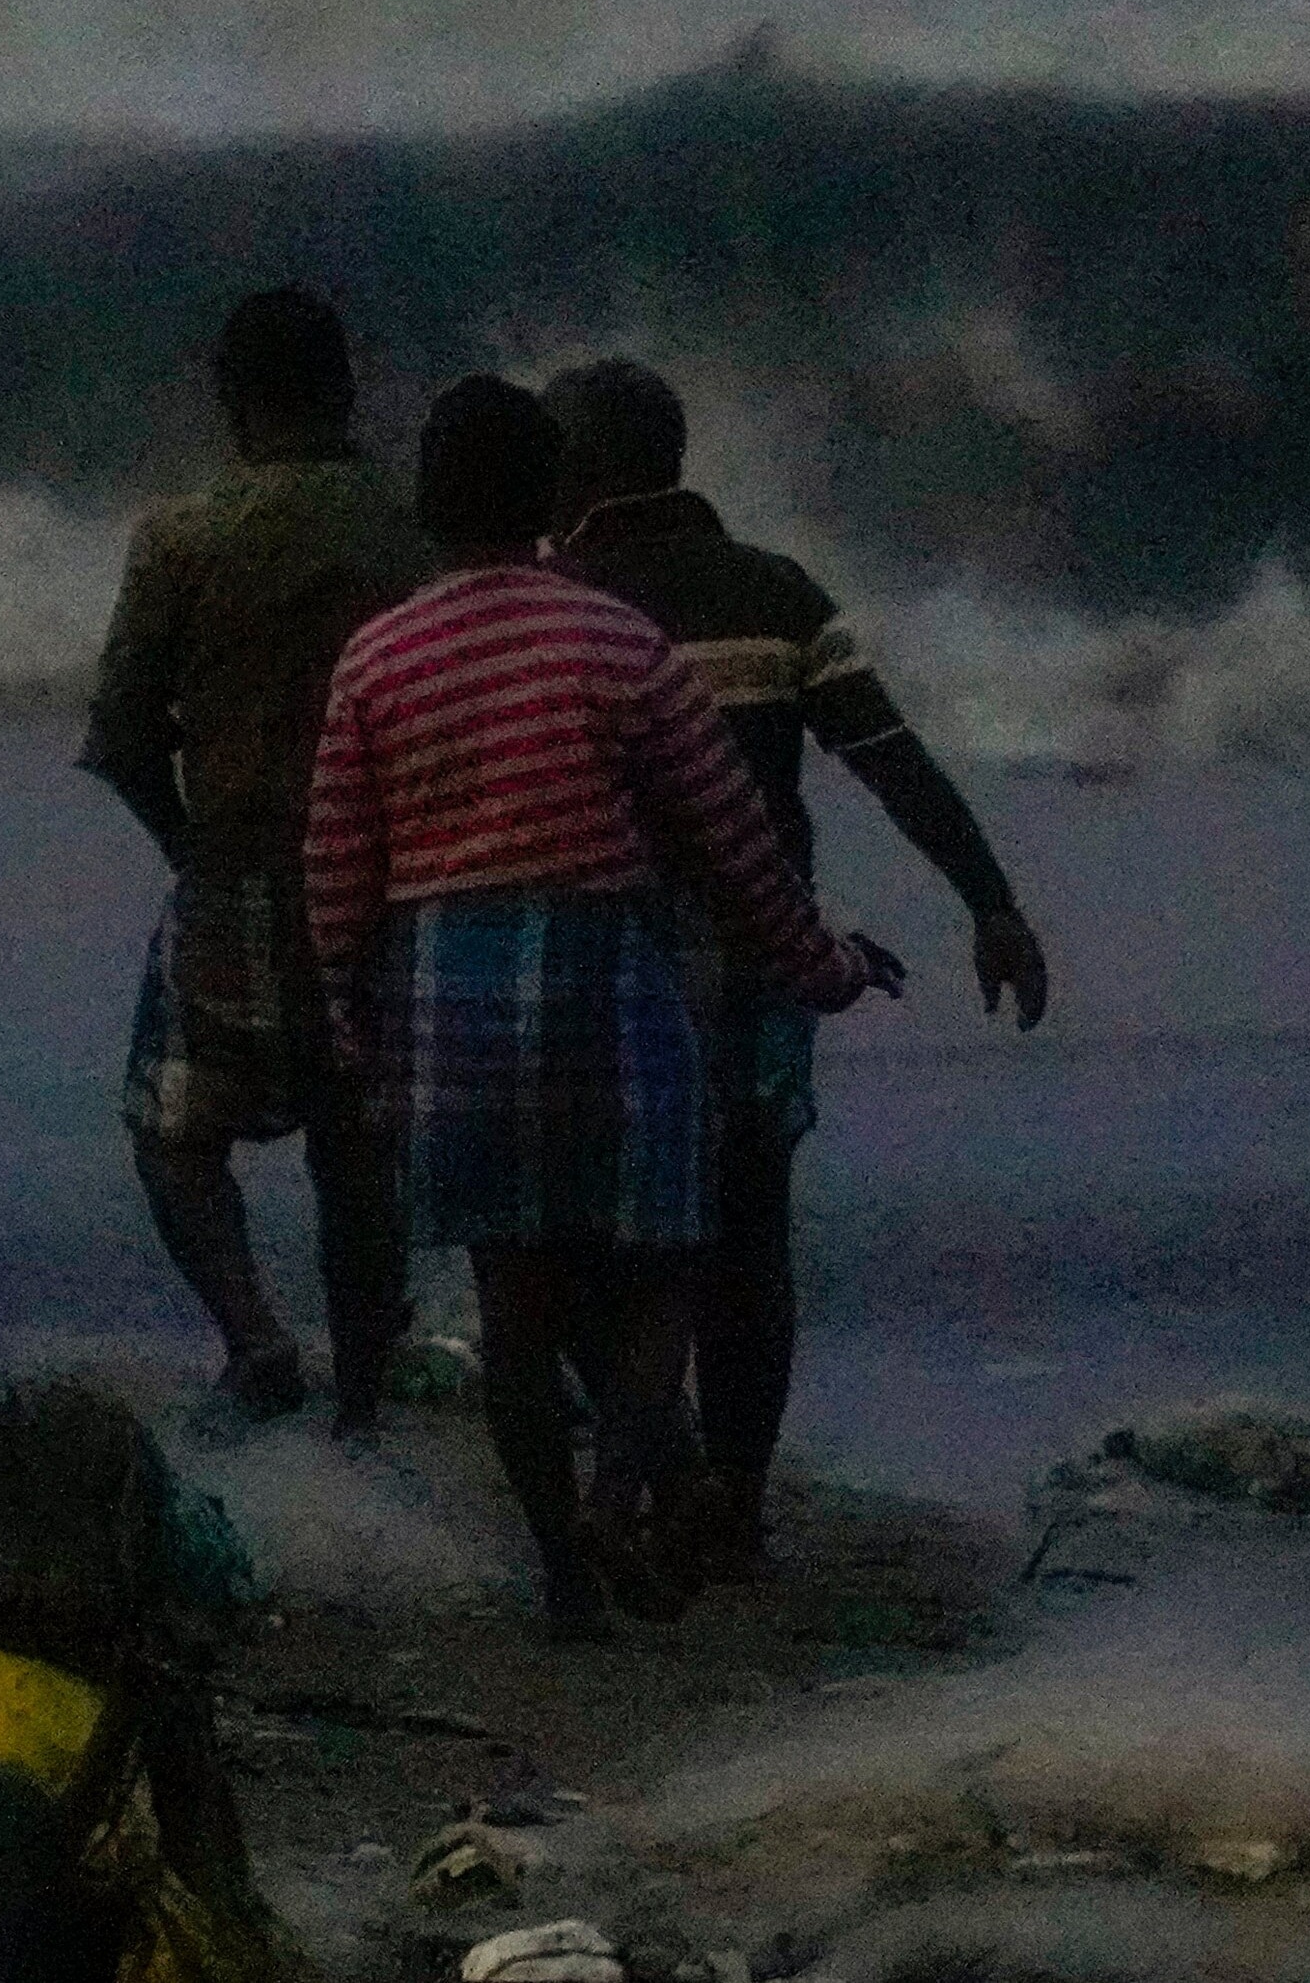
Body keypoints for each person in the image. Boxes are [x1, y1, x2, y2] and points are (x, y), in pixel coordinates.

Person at [302, 376, 894, 1639]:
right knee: (665, 1260)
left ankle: (563, 1577)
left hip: (449, 989)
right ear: (549, 503)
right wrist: (822, 965)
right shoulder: (619, 646)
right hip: (607, 979)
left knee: (515, 1301)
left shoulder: (377, 657)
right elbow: (734, 842)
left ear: (425, 505)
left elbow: (338, 867)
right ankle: (623, 1483)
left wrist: (355, 1019)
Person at [541, 356, 1050, 1583]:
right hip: (764, 948)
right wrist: (993, 906)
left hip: (600, 960)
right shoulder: (775, 592)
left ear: (586, 472)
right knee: (749, 1235)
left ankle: (659, 1477)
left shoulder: (556, 601)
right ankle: (740, 1499)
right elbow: (892, 759)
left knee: (596, 1243)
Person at [80, 289, 434, 1429]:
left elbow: (124, 736)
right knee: (357, 1149)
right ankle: (365, 1396)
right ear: (348, 385)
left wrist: (188, 849)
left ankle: (258, 1342)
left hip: (236, 872)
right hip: (390, 884)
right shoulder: (416, 533)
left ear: (230, 399)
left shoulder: (183, 538)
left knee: (174, 1132)